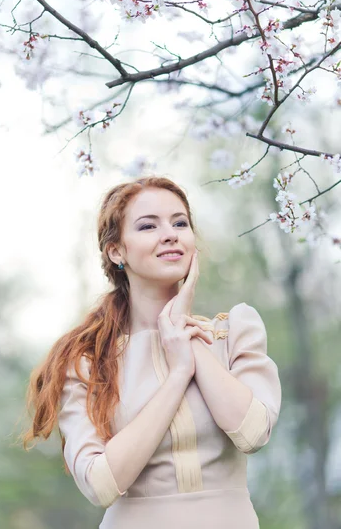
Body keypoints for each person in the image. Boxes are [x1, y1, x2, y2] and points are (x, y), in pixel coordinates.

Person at [22, 175, 282, 529]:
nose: (170, 234)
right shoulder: (88, 362)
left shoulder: (233, 331)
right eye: (148, 226)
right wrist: (177, 376)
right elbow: (100, 485)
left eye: (180, 223)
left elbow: (252, 433)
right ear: (117, 251)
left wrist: (185, 337)